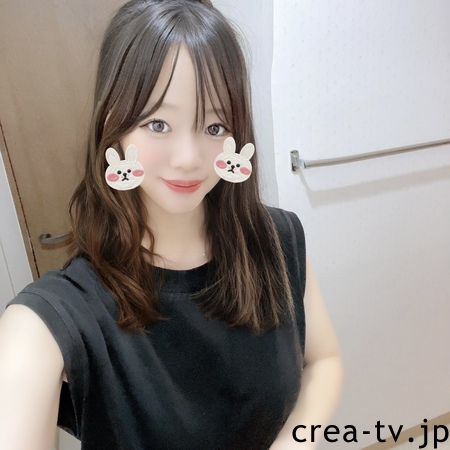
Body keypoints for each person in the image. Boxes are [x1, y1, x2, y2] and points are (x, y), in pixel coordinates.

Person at [0, 0, 343, 449]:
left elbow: (324, 362)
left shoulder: (277, 240)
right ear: (113, 124)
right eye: (158, 123)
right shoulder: (57, 313)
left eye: (215, 126)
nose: (188, 158)